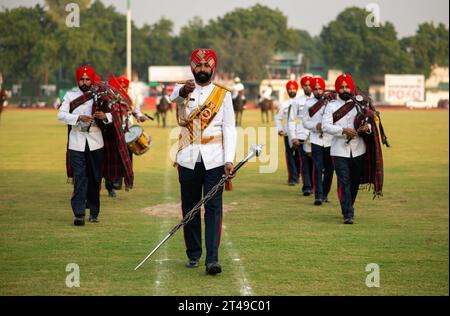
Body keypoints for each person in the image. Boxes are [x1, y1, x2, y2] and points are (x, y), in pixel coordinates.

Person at [170, 48, 237, 275]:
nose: (202, 69)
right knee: (190, 208)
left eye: (207, 66)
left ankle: (212, 259)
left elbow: (229, 128)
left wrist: (229, 160)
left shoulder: (223, 95)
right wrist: (182, 90)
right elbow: (173, 98)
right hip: (188, 157)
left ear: (213, 68)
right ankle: (193, 254)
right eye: (198, 66)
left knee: (213, 209)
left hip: (215, 158)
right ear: (192, 67)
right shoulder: (182, 90)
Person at [322, 73, 382, 224]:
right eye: (341, 87)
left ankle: (348, 206)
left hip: (358, 149)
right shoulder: (331, 106)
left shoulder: (360, 104)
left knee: (354, 182)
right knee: (344, 181)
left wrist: (365, 128)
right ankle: (348, 213)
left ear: (351, 87)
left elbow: (370, 125)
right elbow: (325, 126)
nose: (344, 89)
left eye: (346, 86)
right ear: (337, 89)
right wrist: (342, 130)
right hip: (338, 150)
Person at [57, 65, 113, 225]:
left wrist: (104, 116)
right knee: (80, 178)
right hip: (76, 143)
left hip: (96, 142)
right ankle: (79, 213)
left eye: (87, 79)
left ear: (91, 80)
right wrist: (78, 118)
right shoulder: (70, 95)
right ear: (78, 80)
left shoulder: (100, 95)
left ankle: (94, 212)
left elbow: (112, 115)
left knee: (95, 179)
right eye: (82, 79)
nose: (85, 82)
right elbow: (60, 115)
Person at [302, 77, 335, 205]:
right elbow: (305, 122)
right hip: (316, 139)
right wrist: (315, 126)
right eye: (315, 89)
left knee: (329, 168)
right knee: (317, 167)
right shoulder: (308, 103)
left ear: (323, 89)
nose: (317, 91)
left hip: (330, 140)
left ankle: (325, 193)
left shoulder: (331, 102)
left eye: (320, 88)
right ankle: (318, 195)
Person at [103, 75, 136, 198]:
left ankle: (121, 180)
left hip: (126, 134)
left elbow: (135, 111)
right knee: (111, 161)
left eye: (124, 87)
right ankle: (110, 186)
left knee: (125, 159)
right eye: (120, 87)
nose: (122, 89)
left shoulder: (128, 101)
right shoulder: (111, 100)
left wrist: (140, 116)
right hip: (113, 134)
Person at [288, 76, 314, 196]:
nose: (308, 87)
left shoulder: (319, 99)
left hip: (315, 135)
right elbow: (291, 120)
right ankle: (307, 186)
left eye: (309, 85)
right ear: (302, 87)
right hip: (302, 135)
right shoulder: (297, 101)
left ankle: (315, 185)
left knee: (315, 163)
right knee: (304, 162)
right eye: (305, 85)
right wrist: (293, 136)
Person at [275, 80, 301, 186]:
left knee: (299, 156)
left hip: (299, 133)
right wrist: (280, 129)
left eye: (293, 88)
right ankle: (292, 178)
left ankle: (298, 174)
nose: (291, 90)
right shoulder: (283, 104)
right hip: (287, 133)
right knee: (289, 155)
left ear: (297, 89)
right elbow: (278, 118)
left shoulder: (301, 102)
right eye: (289, 89)